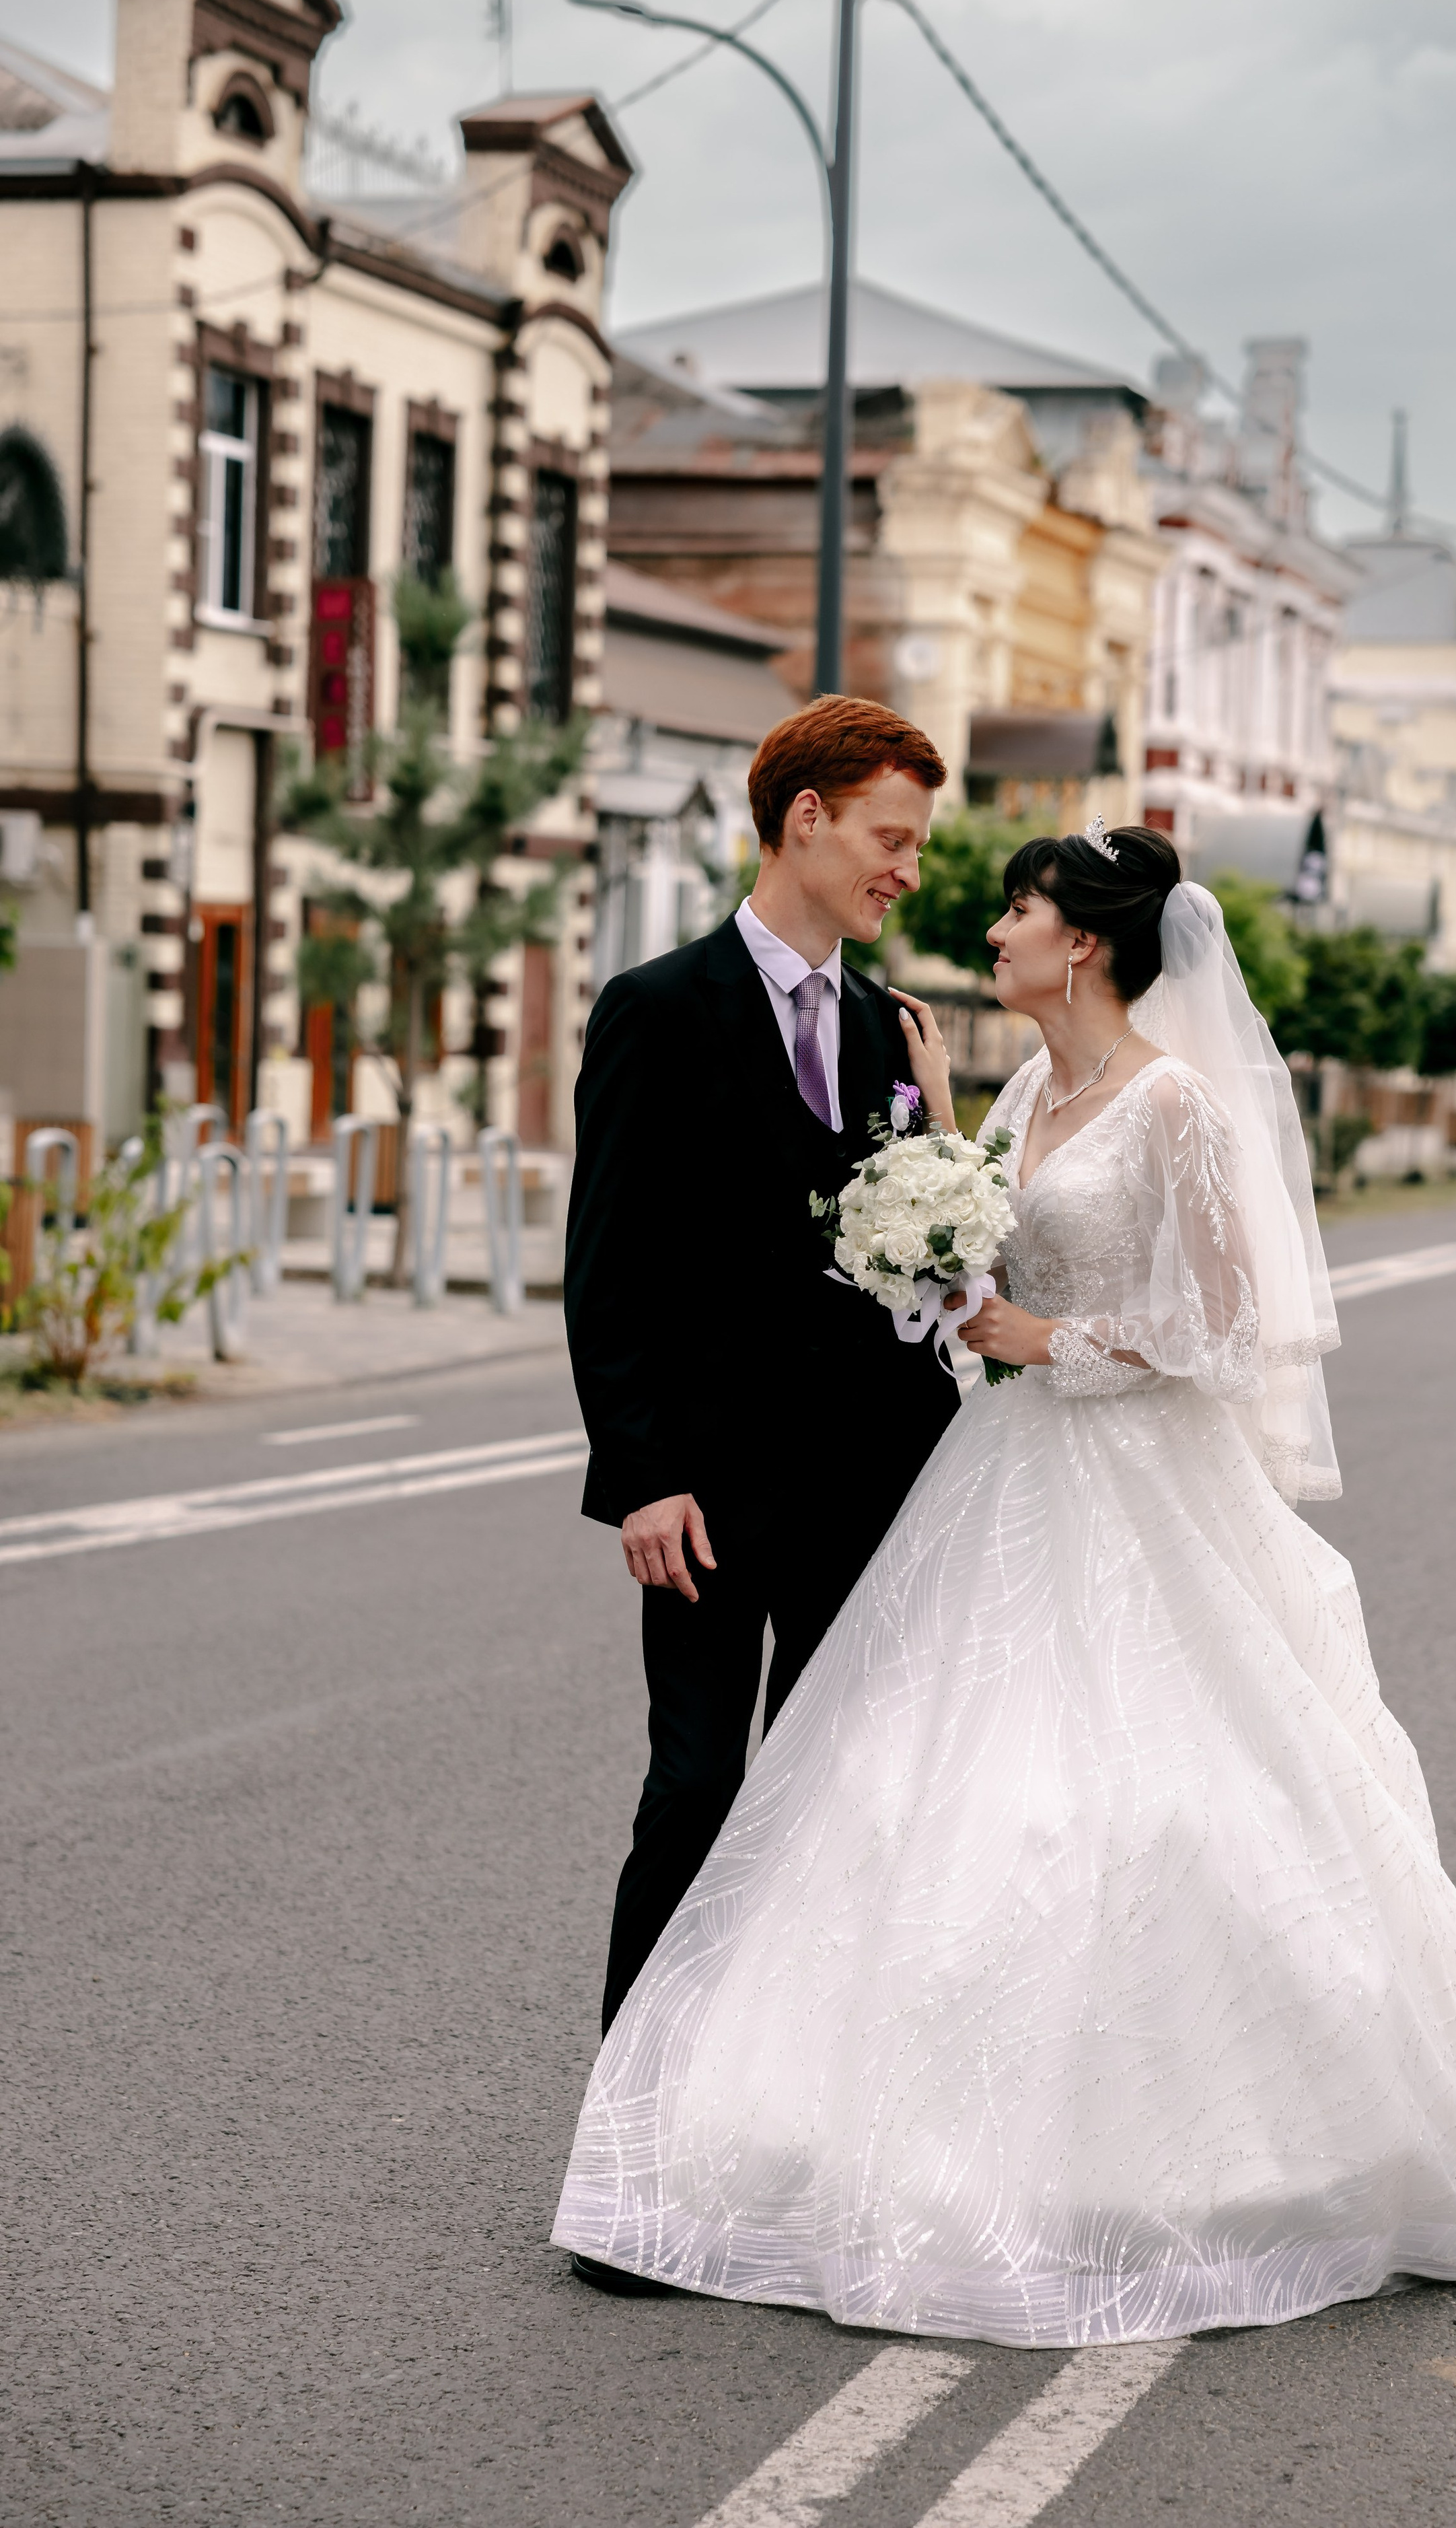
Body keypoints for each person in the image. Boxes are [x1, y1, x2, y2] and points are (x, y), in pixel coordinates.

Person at [554, 818, 1456, 2347]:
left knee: (1134, 1806)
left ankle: (1184, 2155)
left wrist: (1054, 1346)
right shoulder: (1023, 1086)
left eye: (1015, 907)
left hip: (1134, 1485)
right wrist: (948, 1235)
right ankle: (786, 2132)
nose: (992, 926)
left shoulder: (1178, 1109)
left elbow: (1230, 1337)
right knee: (898, 1792)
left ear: (1080, 939)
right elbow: (968, 1269)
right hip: (997, 1478)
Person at [562, 697, 963, 2290]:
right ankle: (634, 2164)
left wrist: (937, 1140)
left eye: (919, 847)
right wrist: (640, 1476)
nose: (907, 873)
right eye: (890, 838)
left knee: (825, 1812)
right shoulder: (656, 1008)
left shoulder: (886, 1034)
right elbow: (612, 1268)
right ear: (805, 819)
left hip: (870, 1488)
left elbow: (914, 1268)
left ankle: (781, 2143)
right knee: (694, 1794)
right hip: (711, 1498)